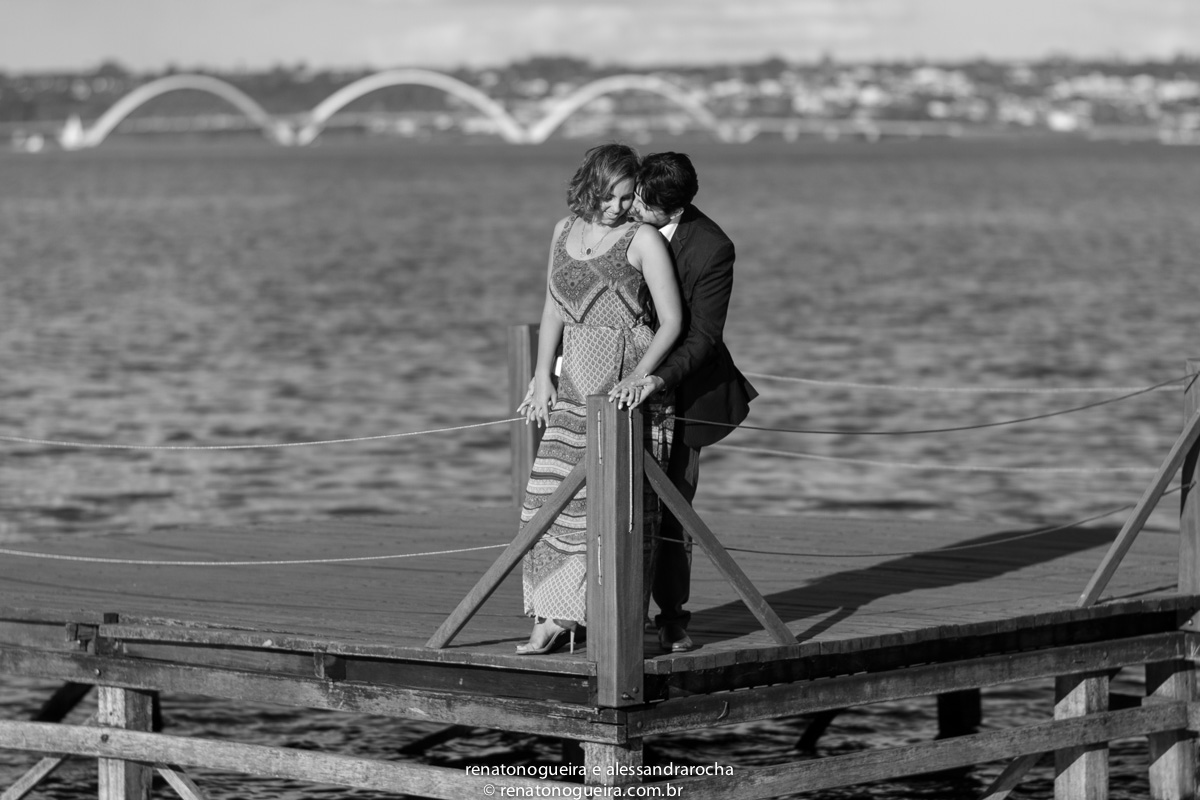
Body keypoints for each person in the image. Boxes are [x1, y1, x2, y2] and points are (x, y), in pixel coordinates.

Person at [514, 143, 682, 655]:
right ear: (591, 185)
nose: (618, 207)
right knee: (545, 503)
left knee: (615, 512)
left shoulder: (643, 239)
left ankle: (604, 621)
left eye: (627, 198)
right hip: (572, 389)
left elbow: (672, 321)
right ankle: (553, 614)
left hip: (622, 390)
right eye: (610, 197)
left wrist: (640, 376)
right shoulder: (564, 231)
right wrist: (541, 374)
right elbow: (552, 304)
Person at [626, 152, 757, 654]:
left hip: (684, 392)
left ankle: (672, 618)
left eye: (645, 206)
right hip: (617, 381)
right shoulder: (624, 219)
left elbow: (703, 337)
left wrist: (655, 380)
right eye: (633, 196)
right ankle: (608, 612)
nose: (635, 209)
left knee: (672, 509)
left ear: (674, 208)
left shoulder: (712, 248)